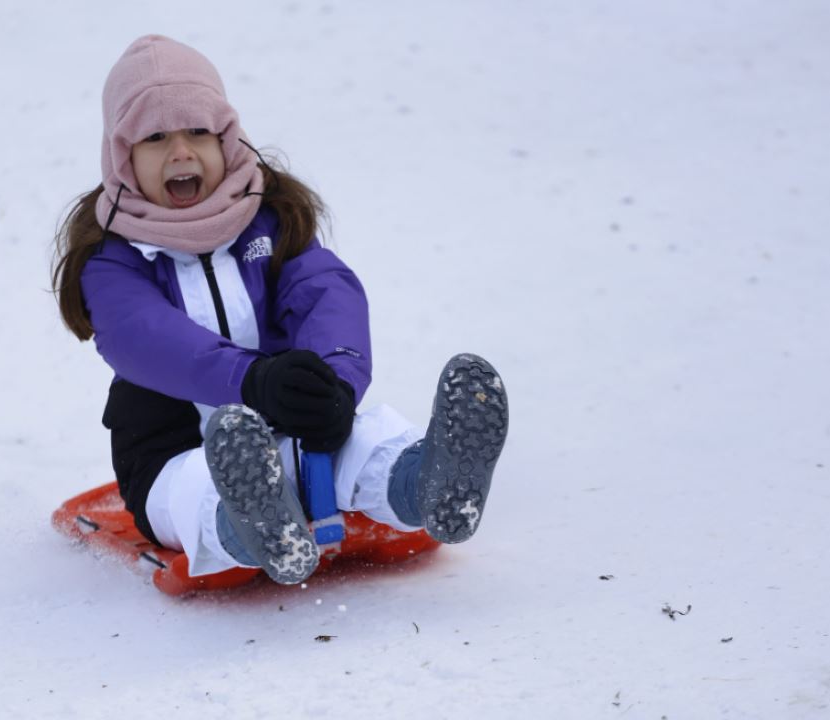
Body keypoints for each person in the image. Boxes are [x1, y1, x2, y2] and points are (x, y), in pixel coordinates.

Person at [52, 35, 508, 585]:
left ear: (226, 137)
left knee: (357, 445)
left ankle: (425, 483)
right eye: (155, 137)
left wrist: (334, 385)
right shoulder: (114, 256)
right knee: (192, 492)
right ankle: (249, 527)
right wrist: (251, 380)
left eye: (198, 131)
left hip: (289, 418)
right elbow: (143, 335)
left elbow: (326, 293)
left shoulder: (267, 221)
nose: (181, 151)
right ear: (122, 157)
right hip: (170, 448)